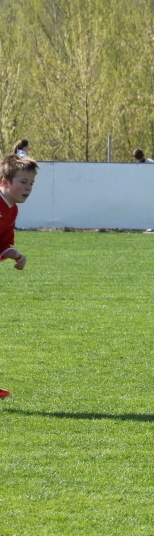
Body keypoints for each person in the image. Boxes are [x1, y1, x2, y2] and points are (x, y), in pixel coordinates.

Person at [0, 154, 39, 398]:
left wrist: (14, 253)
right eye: (23, 181)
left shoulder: (11, 210)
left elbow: (2, 242)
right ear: (4, 181)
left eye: (31, 183)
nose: (28, 187)